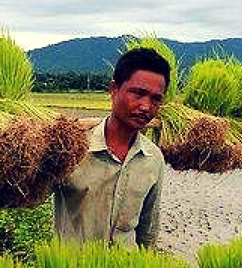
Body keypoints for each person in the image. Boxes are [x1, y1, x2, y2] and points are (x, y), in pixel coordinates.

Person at [53, 47, 169, 249]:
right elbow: (28, 196)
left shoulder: (153, 158)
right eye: (138, 93)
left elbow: (147, 233)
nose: (146, 106)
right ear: (114, 90)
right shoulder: (71, 148)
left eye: (155, 99)